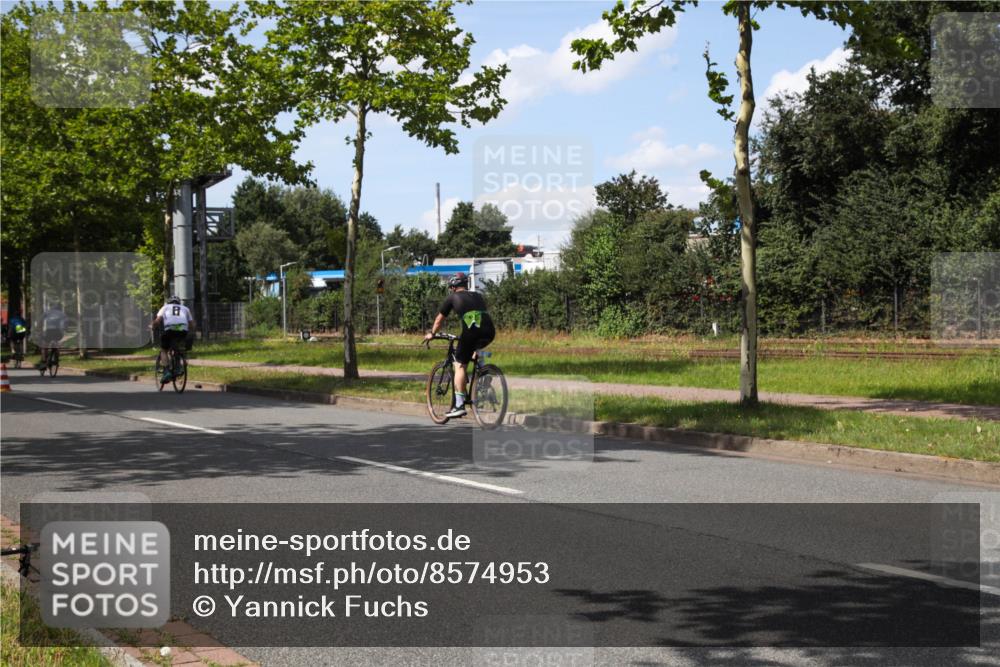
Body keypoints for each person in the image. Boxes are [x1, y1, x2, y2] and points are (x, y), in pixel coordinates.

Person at [423, 272, 495, 418]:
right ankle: (481, 375)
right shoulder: (478, 295)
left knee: (460, 365)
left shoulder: (452, 297)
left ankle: (459, 405)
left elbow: (439, 320)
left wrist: (432, 333)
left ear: (453, 286)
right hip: (489, 331)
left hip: (471, 332)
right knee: (474, 350)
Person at [151, 296, 195, 383]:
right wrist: (189, 330)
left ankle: (167, 371)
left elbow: (158, 320)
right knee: (177, 347)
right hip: (182, 331)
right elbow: (192, 324)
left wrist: (152, 326)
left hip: (170, 330)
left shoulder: (165, 307)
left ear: (169, 302)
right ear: (178, 303)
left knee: (164, 350)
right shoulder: (185, 308)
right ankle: (178, 367)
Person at [37, 303, 68, 369]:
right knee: (56, 344)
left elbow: (40, 320)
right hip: (58, 332)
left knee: (45, 345)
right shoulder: (62, 314)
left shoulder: (48, 313)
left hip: (49, 331)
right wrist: (65, 329)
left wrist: (38, 328)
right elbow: (66, 323)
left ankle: (44, 361)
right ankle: (56, 359)